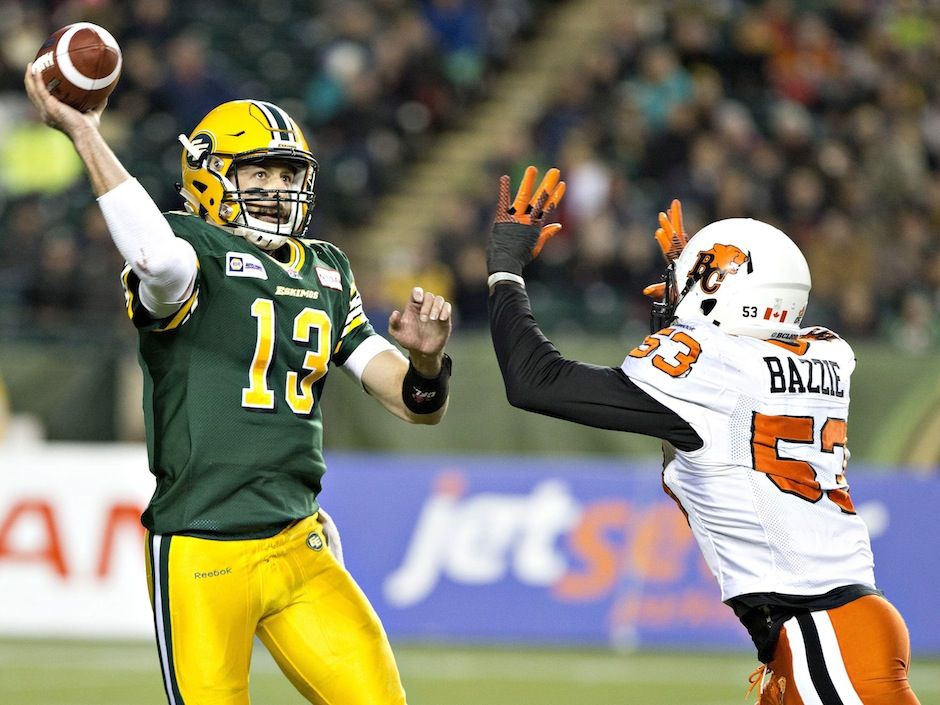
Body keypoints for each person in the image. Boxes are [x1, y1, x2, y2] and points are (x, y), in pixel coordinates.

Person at [25, 64, 454, 705]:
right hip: (203, 547)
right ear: (208, 174)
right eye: (258, 173)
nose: (278, 190)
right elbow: (157, 261)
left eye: (288, 175)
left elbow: (416, 406)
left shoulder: (326, 269)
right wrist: (86, 134)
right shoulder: (187, 245)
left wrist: (423, 363)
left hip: (297, 544)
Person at [486, 166, 921, 705]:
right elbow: (704, 417)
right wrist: (690, 295)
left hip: (821, 634)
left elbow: (536, 381)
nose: (671, 295)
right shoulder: (827, 351)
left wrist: (505, 270)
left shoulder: (713, 373)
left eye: (691, 282)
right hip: (833, 625)